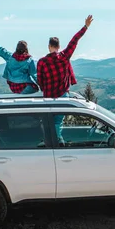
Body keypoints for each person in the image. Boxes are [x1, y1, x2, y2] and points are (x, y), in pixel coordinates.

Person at [37, 15, 94, 143]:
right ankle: (57, 140)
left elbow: (40, 79)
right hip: (63, 93)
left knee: (50, 119)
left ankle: (52, 140)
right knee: (59, 119)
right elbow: (75, 40)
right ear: (58, 46)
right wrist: (85, 27)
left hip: (48, 95)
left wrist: (44, 88)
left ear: (49, 46)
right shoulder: (64, 57)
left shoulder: (42, 62)